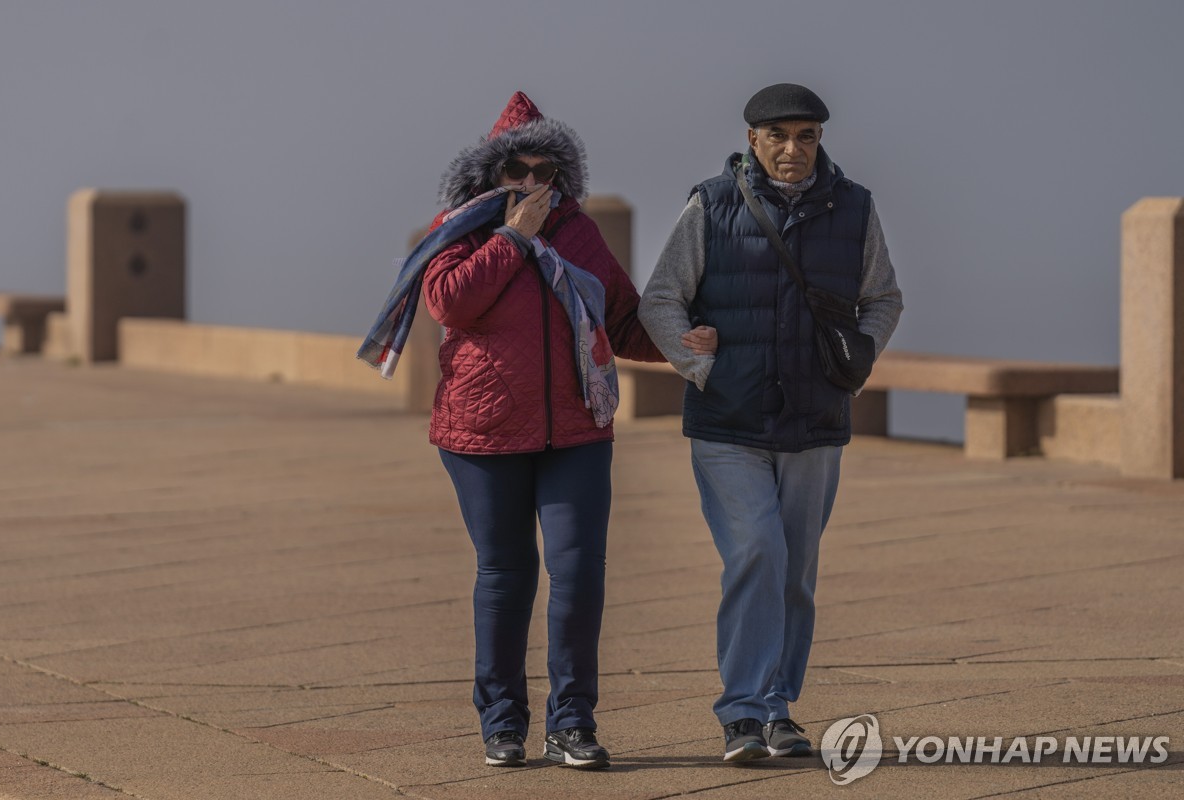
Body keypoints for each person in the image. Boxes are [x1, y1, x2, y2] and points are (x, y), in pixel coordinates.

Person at [359, 91, 716, 770]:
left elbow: (622, 322)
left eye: (543, 171)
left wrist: (680, 341)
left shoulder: (580, 233)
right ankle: (502, 722)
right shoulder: (461, 229)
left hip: (576, 433)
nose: (529, 182)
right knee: (507, 574)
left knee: (578, 574)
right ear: (489, 173)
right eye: (514, 170)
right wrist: (513, 236)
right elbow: (449, 302)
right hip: (481, 434)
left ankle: (572, 723)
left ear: (563, 175)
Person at [638, 83, 903, 762]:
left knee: (796, 569)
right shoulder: (713, 203)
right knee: (758, 549)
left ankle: (780, 707)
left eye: (806, 136)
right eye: (779, 136)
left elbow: (883, 297)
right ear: (753, 139)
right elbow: (662, 297)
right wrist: (697, 367)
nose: (793, 149)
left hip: (816, 419)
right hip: (729, 419)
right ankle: (742, 712)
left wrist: (857, 361)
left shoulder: (855, 207)